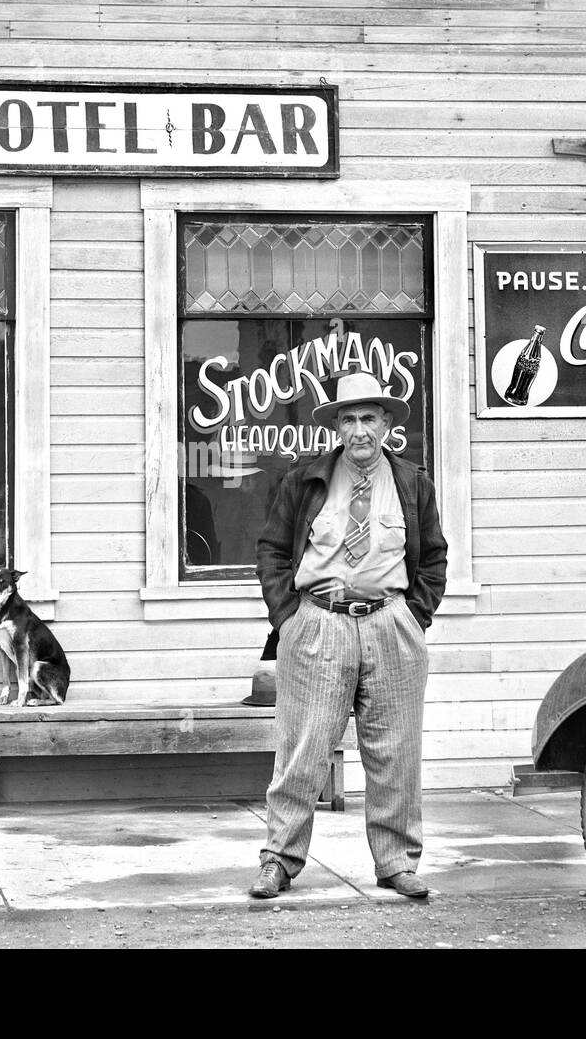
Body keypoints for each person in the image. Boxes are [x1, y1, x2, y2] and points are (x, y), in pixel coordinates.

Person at [250, 371, 448, 900]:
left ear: (386, 424)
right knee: (302, 748)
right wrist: (287, 617)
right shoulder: (303, 481)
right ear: (336, 426)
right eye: (349, 419)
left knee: (395, 752)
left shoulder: (412, 483)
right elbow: (271, 550)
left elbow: (433, 557)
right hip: (317, 621)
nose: (359, 430)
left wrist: (414, 616)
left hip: (391, 623)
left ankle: (397, 862)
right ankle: (279, 860)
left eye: (368, 418)